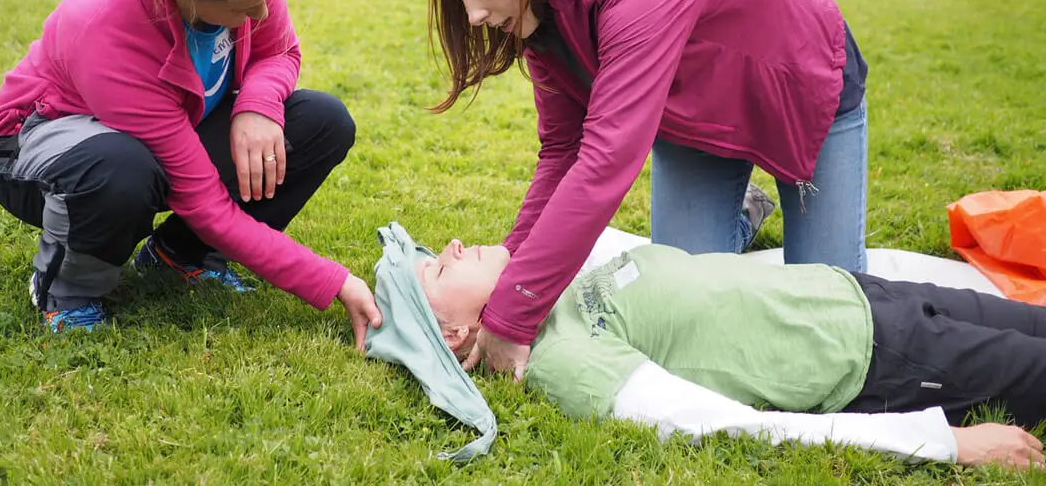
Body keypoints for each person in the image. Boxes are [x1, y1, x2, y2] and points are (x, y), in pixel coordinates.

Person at [421, 0, 870, 375]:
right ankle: (742, 215)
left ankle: (742, 215)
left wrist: (513, 316)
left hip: (798, 89)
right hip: (695, 122)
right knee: (684, 304)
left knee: (829, 315)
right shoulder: (541, 13)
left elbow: (604, 163)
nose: (475, 15)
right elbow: (563, 153)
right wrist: (510, 265)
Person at [0, 0, 382, 345]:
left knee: (321, 121)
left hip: (153, 137)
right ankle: (66, 293)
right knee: (120, 168)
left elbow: (279, 52)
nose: (262, 16)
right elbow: (206, 203)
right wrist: (333, 282)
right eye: (246, 8)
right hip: (36, 151)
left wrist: (257, 106)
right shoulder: (107, 30)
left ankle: (180, 255)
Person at [391, 222, 1046, 471]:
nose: (449, 247)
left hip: (859, 293)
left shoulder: (546, 278)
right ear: (455, 334)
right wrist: (946, 444)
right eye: (438, 271)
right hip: (878, 359)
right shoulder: (564, 363)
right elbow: (727, 425)